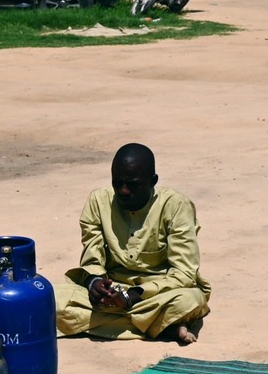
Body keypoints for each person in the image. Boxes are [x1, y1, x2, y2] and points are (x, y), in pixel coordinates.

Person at [57, 143, 211, 344]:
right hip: (113, 292)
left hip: (158, 294)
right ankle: (160, 327)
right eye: (117, 183)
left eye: (133, 184)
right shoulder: (98, 201)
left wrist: (135, 296)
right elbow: (92, 259)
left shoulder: (175, 206)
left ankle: (112, 324)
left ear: (153, 181)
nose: (123, 190)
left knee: (189, 301)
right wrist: (94, 282)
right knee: (51, 299)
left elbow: (184, 273)